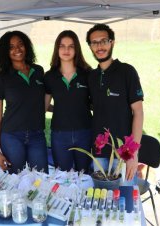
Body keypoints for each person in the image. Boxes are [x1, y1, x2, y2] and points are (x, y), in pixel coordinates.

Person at [86, 24, 144, 182]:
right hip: (99, 152)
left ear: (112, 42)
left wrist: (133, 153)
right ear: (90, 47)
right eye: (94, 42)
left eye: (103, 41)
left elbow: (138, 112)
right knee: (102, 199)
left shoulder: (127, 72)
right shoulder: (91, 76)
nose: (99, 46)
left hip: (124, 153)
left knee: (124, 200)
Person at [0, 31, 48, 174]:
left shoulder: (38, 71)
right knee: (15, 181)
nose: (17, 49)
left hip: (37, 135)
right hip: (11, 137)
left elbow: (40, 102)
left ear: (26, 46)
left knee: (42, 180)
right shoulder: (1, 78)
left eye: (20, 44)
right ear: (5, 52)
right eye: (11, 47)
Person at [44, 30, 92, 173]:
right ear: (56, 49)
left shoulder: (88, 74)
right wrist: (60, 107)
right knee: (62, 176)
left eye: (71, 46)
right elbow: (44, 106)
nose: (66, 50)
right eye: (62, 46)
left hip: (85, 132)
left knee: (84, 174)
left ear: (76, 49)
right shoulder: (50, 76)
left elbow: (96, 103)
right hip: (60, 134)